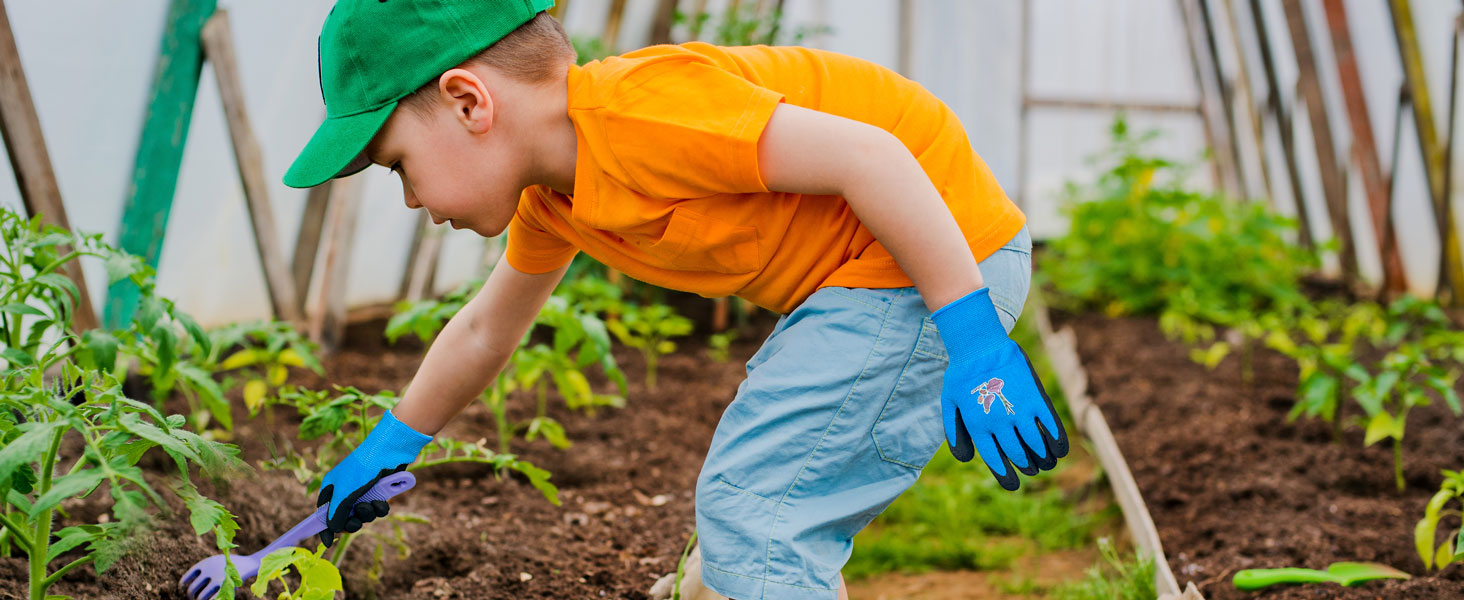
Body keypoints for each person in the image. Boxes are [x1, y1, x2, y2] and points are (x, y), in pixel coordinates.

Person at [282, 2, 1068, 598]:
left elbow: (873, 156)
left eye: (397, 166)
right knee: (736, 534)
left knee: (757, 513)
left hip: (929, 258)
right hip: (867, 278)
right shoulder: (559, 196)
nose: (413, 198)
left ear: (469, 103)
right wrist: (393, 441)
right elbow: (488, 327)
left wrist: (972, 336)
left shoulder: (638, 112)